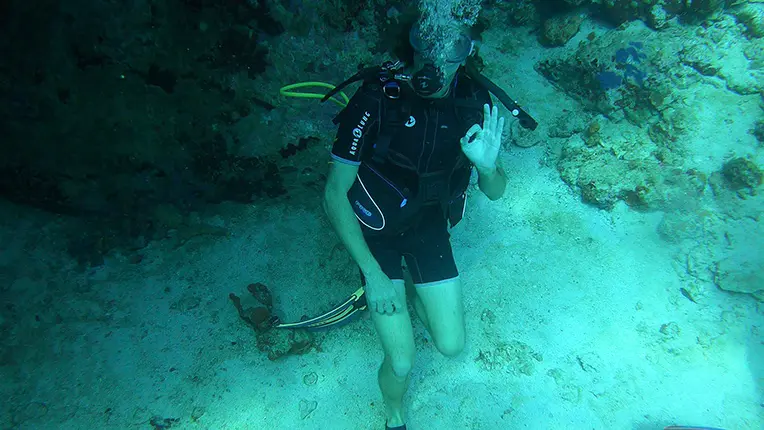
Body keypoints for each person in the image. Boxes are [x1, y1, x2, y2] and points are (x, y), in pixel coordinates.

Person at [322, 21, 507, 430]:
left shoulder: (473, 102)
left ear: (466, 54)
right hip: (377, 233)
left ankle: (411, 290)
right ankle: (394, 415)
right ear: (412, 47)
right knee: (402, 361)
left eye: (450, 53)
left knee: (452, 345)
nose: (434, 63)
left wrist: (488, 168)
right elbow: (334, 194)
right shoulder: (377, 97)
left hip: (427, 225)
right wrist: (373, 275)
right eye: (425, 49)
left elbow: (495, 192)